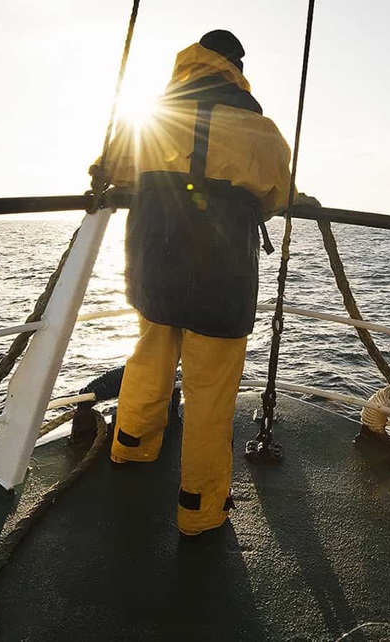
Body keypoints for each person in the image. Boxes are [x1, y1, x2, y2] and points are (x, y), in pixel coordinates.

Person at [89, 30, 292, 537]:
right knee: (210, 395)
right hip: (221, 282)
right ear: (237, 69)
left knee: (149, 358)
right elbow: (278, 196)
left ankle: (130, 449)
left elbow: (107, 169)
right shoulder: (262, 132)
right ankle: (199, 512)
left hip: (154, 269)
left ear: (188, 65)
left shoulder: (148, 120)